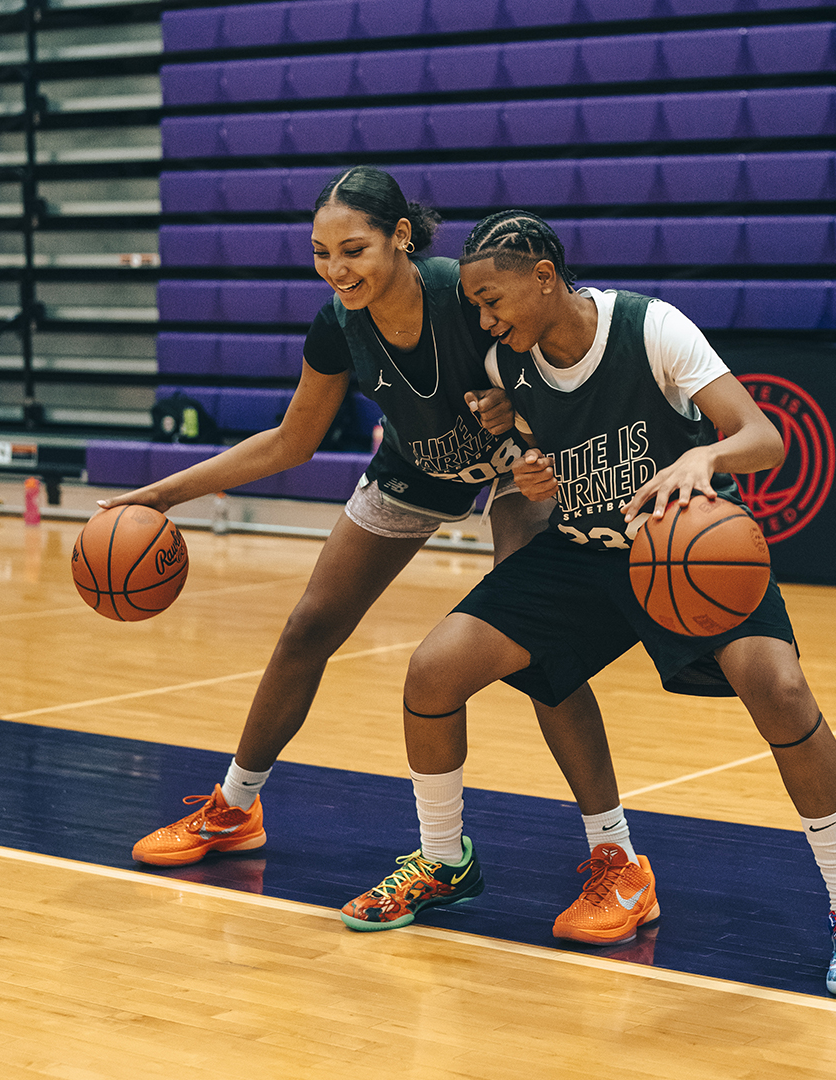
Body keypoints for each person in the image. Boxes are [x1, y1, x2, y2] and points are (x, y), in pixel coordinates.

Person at [340, 210, 836, 1000]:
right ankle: (451, 861)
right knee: (433, 671)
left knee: (779, 687)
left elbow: (764, 438)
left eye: (492, 301)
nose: (485, 321)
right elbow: (541, 456)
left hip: (683, 547)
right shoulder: (506, 365)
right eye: (476, 307)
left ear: (544, 278)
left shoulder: (650, 328)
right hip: (580, 552)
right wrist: (531, 472)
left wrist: (706, 455)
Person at [108, 170, 621, 885]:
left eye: (353, 250)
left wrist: (521, 412)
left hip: (517, 464)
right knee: (308, 626)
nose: (336, 270)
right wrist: (167, 493)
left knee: (539, 644)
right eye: (321, 253)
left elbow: (566, 376)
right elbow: (292, 441)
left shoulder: (465, 294)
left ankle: (613, 850)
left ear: (400, 237)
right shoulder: (339, 325)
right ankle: (234, 808)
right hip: (417, 466)